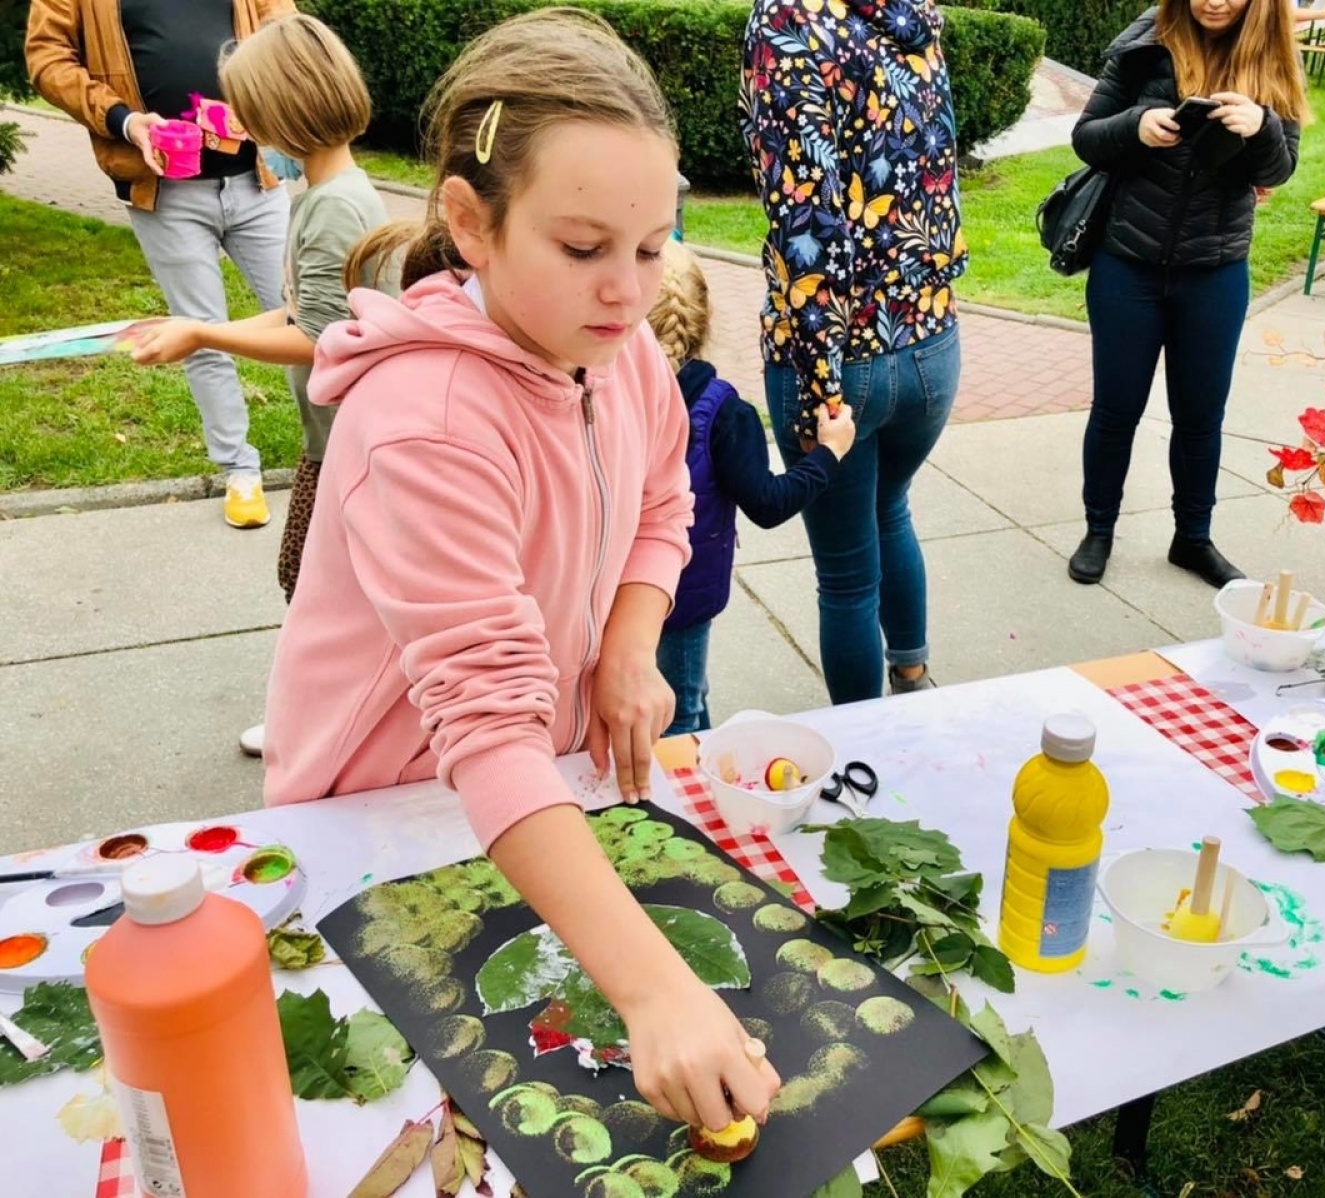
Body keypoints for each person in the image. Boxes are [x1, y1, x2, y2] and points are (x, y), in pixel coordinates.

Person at [261, 10, 781, 1132]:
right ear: (470, 222)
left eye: (651, 249)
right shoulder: (425, 420)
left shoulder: (625, 350)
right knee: (418, 1113)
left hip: (523, 793)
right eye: (585, 249)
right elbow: (481, 722)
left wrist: (630, 648)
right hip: (385, 813)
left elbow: (661, 502)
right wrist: (655, 990)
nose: (629, 292)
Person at [127, 12, 396, 758]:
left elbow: (317, 334)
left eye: (245, 109)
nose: (234, 123)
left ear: (285, 113)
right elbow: (304, 305)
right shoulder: (318, 191)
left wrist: (203, 332)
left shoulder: (337, 204)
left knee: (324, 590)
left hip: (353, 449)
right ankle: (335, 710)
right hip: (332, 441)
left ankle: (331, 718)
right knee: (316, 583)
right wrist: (194, 323)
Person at [740, 0, 965, 705]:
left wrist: (819, 382)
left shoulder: (787, 18)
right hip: (931, 343)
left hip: (842, 352)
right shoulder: (912, 16)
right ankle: (912, 677)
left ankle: (867, 744)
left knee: (843, 571)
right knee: (889, 508)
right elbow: (936, 182)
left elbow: (805, 215)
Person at [1066, 0, 1308, 589]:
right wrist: (1135, 126)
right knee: (1115, 409)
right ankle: (1099, 529)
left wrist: (1263, 127)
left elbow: (1280, 171)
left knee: (1201, 416)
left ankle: (1192, 540)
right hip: (1128, 264)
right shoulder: (1146, 43)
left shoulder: (1272, 57)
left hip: (1216, 269)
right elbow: (1086, 138)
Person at [26, 0, 294, 529]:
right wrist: (125, 122)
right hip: (165, 192)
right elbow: (47, 58)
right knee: (201, 330)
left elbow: (284, 31)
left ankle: (333, 454)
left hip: (256, 179)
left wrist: (263, 101)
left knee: (308, 318)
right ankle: (240, 471)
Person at [648, 241, 857, 735]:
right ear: (704, 317)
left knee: (669, 694)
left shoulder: (604, 390)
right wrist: (830, 453)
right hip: (685, 595)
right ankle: (689, 789)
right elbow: (767, 503)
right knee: (680, 709)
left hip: (612, 591)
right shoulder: (725, 414)